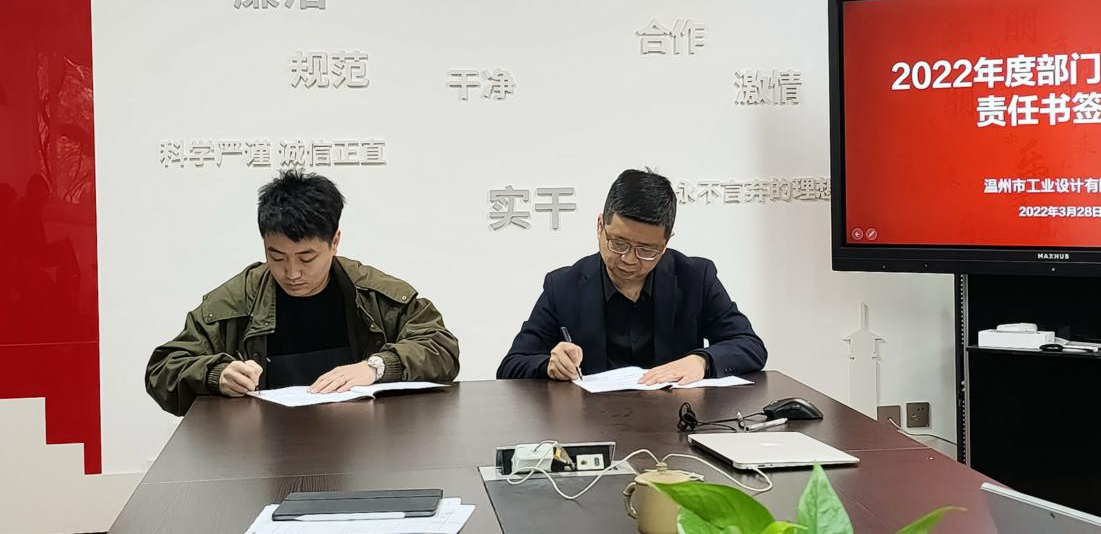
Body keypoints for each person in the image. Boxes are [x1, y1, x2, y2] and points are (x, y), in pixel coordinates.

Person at [146, 170, 460, 416]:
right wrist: (216, 374)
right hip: (263, 450)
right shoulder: (236, 300)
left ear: (334, 242)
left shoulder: (373, 294)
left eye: (307, 258)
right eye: (277, 257)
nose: (292, 273)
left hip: (362, 447)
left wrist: (376, 367)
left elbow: (441, 347)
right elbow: (162, 370)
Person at [497, 168, 766, 384]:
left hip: (674, 421)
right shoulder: (564, 286)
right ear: (600, 226)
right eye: (618, 243)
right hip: (592, 424)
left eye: (646, 250)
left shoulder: (695, 278)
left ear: (666, 243)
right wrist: (549, 365)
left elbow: (750, 345)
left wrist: (701, 361)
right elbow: (512, 365)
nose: (628, 259)